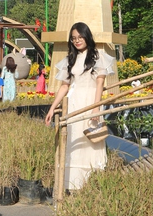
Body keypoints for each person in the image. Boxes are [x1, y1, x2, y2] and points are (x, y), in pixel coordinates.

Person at [44, 22, 115, 190]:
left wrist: (96, 107)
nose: (77, 41)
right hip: (73, 104)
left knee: (90, 140)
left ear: (86, 36)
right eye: (74, 38)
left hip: (90, 102)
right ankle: (72, 184)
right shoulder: (70, 59)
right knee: (73, 138)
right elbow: (64, 86)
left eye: (80, 37)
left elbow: (99, 84)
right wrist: (53, 107)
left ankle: (92, 183)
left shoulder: (98, 56)